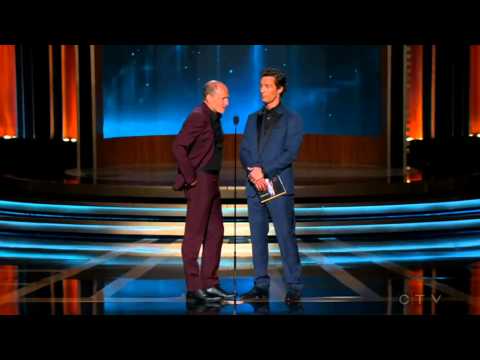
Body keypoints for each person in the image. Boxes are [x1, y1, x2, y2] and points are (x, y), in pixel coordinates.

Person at [239, 68, 304, 304]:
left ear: (280, 89)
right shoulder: (251, 118)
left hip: (278, 186)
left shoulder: (292, 118)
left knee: (285, 235)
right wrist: (254, 172)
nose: (262, 90)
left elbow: (290, 153)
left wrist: (264, 171)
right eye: (261, 86)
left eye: (267, 86)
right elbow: (244, 151)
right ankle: (260, 285)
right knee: (257, 237)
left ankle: (294, 286)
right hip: (255, 187)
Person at [172, 80, 235, 304]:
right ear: (209, 97)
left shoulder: (214, 117)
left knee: (216, 232)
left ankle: (210, 283)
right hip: (200, 182)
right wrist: (190, 178)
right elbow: (178, 146)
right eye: (223, 98)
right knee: (194, 235)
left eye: (227, 98)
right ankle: (193, 287)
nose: (227, 103)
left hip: (212, 181)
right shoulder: (198, 115)